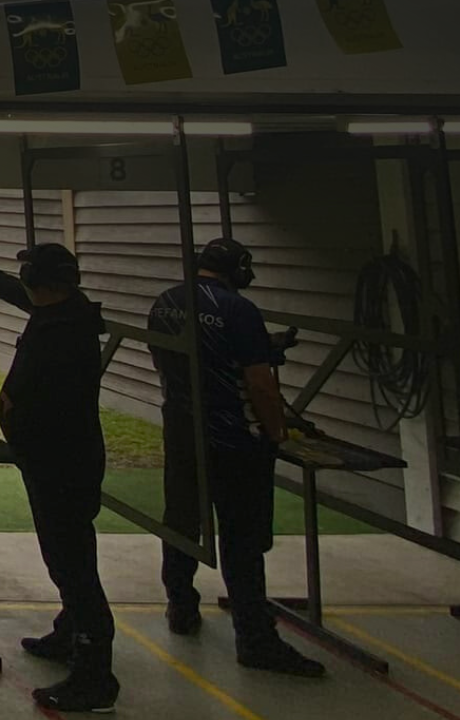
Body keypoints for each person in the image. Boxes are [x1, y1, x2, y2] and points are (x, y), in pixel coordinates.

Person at [148, 237, 325, 678]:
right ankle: (255, 637)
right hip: (232, 438)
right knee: (242, 540)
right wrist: (278, 432)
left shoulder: (166, 301)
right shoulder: (239, 310)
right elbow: (261, 384)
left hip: (182, 431)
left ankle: (181, 605)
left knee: (182, 520)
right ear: (237, 269)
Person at [0, 246, 118, 712]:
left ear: (39, 276)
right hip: (62, 459)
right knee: (68, 557)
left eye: (26, 270)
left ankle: (95, 676)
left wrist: (16, 425)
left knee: (73, 566)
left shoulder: (58, 333)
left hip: (59, 462)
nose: (22, 276)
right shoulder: (68, 313)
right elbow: (20, 295)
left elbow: (35, 399)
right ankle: (69, 630)